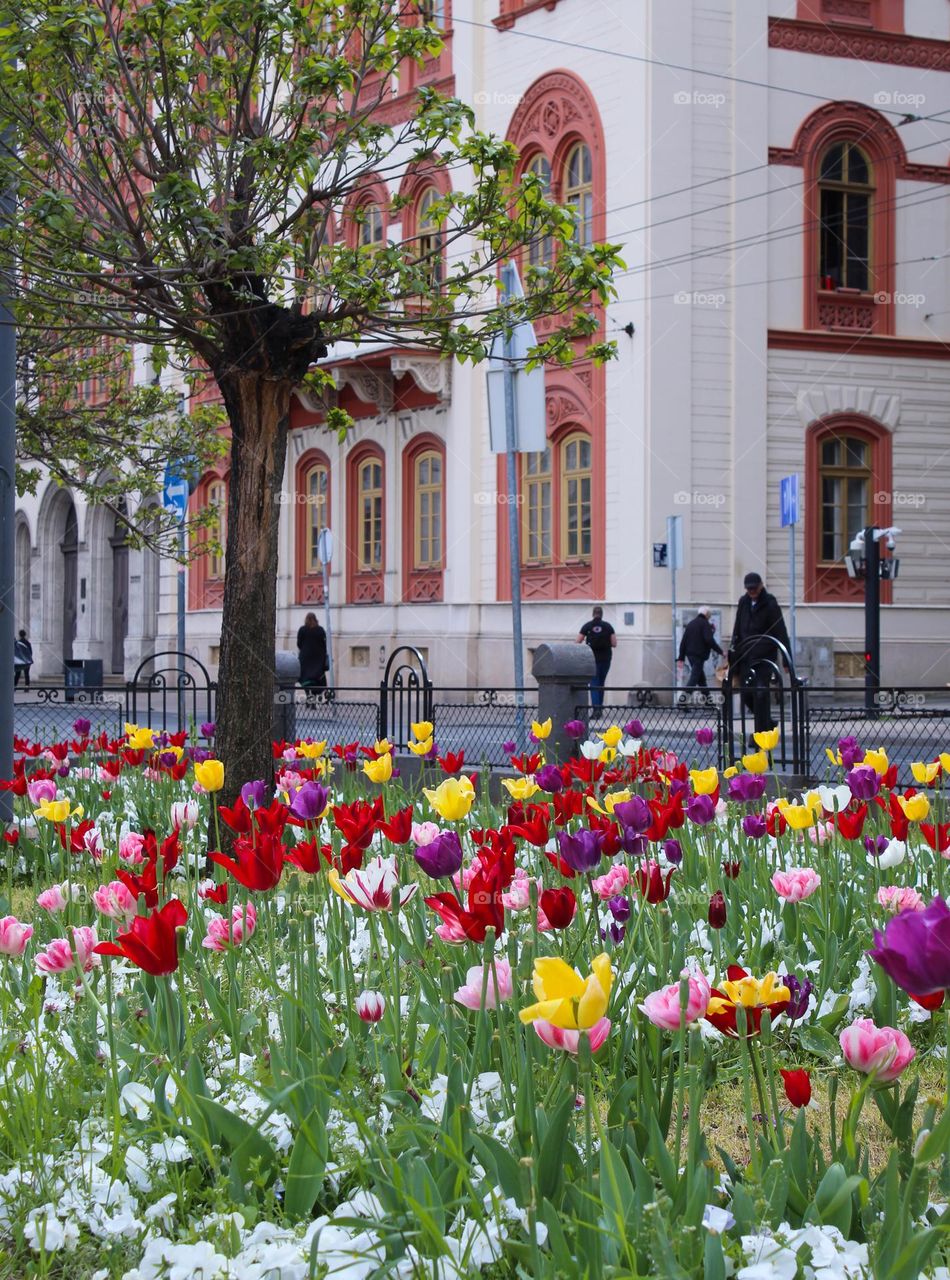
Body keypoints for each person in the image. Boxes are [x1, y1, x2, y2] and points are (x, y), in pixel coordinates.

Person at [728, 573, 791, 738]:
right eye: (749, 588)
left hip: (764, 657)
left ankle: (760, 735)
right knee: (747, 694)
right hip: (745, 656)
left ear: (761, 585)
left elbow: (780, 630)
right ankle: (767, 723)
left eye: (754, 588)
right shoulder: (744, 602)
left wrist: (786, 658)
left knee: (761, 695)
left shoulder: (770, 603)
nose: (752, 591)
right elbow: (737, 628)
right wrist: (733, 655)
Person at [576, 606, 617, 711]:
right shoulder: (608, 626)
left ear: (593, 614)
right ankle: (600, 707)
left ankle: (596, 710)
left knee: (594, 684)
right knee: (601, 683)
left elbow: (578, 641)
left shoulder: (587, 626)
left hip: (592, 658)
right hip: (605, 658)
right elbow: (614, 643)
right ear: (602, 614)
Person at [677, 607, 723, 689]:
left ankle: (709, 701)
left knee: (701, 680)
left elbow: (683, 641)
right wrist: (721, 652)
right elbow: (709, 639)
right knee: (694, 679)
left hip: (690, 655)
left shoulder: (691, 624)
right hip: (699, 655)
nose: (710, 616)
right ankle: (682, 700)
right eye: (709, 614)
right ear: (706, 614)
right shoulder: (705, 624)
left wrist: (681, 657)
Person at [296, 613, 328, 705]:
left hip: (305, 658)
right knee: (316, 679)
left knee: (306, 679)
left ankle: (309, 697)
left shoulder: (302, 630)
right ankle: (313, 698)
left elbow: (299, 643)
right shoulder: (320, 630)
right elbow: (324, 644)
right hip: (318, 659)